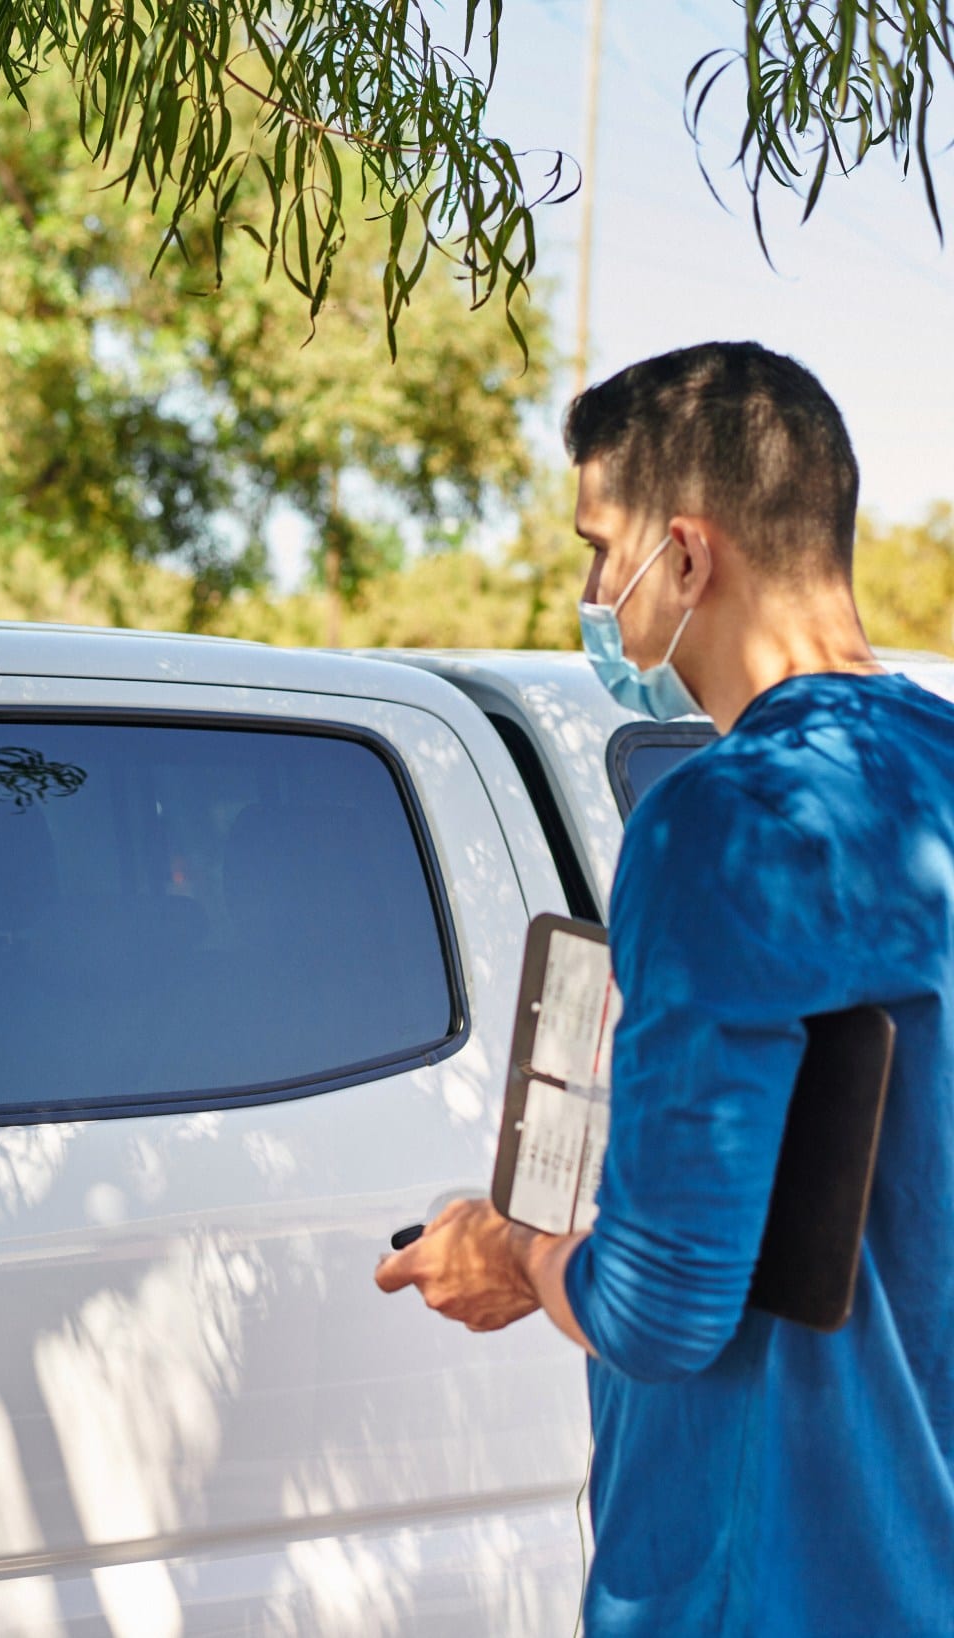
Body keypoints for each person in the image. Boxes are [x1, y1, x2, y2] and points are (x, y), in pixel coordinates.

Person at [375, 342, 954, 1635]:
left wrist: (507, 1250)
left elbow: (663, 1299)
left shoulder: (728, 815)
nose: (595, 594)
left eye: (600, 549)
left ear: (687, 556)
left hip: (769, 1579)